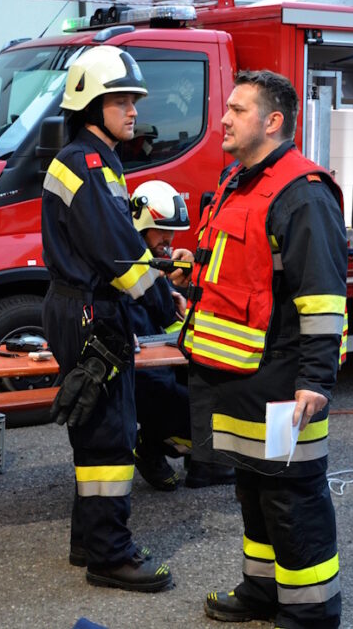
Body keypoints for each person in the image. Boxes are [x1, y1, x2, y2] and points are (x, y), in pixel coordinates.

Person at [181, 70, 346, 628]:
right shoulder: (240, 181)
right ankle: (261, 590)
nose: (223, 119)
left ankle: (311, 613)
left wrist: (315, 380)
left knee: (292, 498)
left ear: (273, 122)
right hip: (243, 377)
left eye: (237, 110)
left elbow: (322, 297)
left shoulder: (304, 193)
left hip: (283, 383)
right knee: (254, 490)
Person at [41, 44, 182, 592]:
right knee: (109, 437)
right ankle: (110, 556)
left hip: (78, 305)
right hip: (91, 310)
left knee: (93, 426)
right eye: (120, 100)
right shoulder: (91, 164)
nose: (132, 110)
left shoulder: (87, 159)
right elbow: (120, 252)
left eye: (133, 100)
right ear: (89, 105)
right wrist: (164, 302)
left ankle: (89, 541)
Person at [126, 180, 237, 491]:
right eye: (162, 231)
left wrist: (184, 286)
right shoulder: (129, 266)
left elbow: (173, 321)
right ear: (140, 225)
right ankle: (151, 445)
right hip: (145, 374)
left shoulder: (153, 264)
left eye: (172, 232)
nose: (169, 240)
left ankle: (197, 460)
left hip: (169, 364)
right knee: (200, 413)